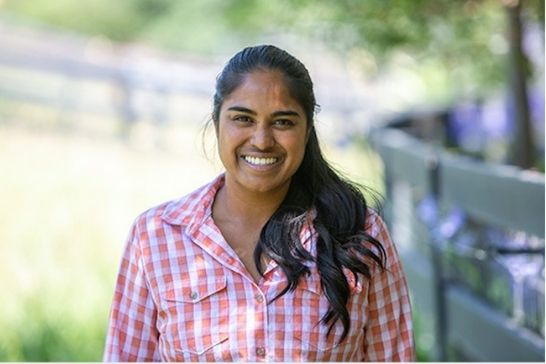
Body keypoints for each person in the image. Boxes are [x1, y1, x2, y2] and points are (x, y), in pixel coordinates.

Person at [103, 45, 415, 362]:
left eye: (282, 122)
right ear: (216, 123)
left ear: (307, 130)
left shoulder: (359, 232)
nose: (262, 140)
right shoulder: (156, 236)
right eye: (243, 118)